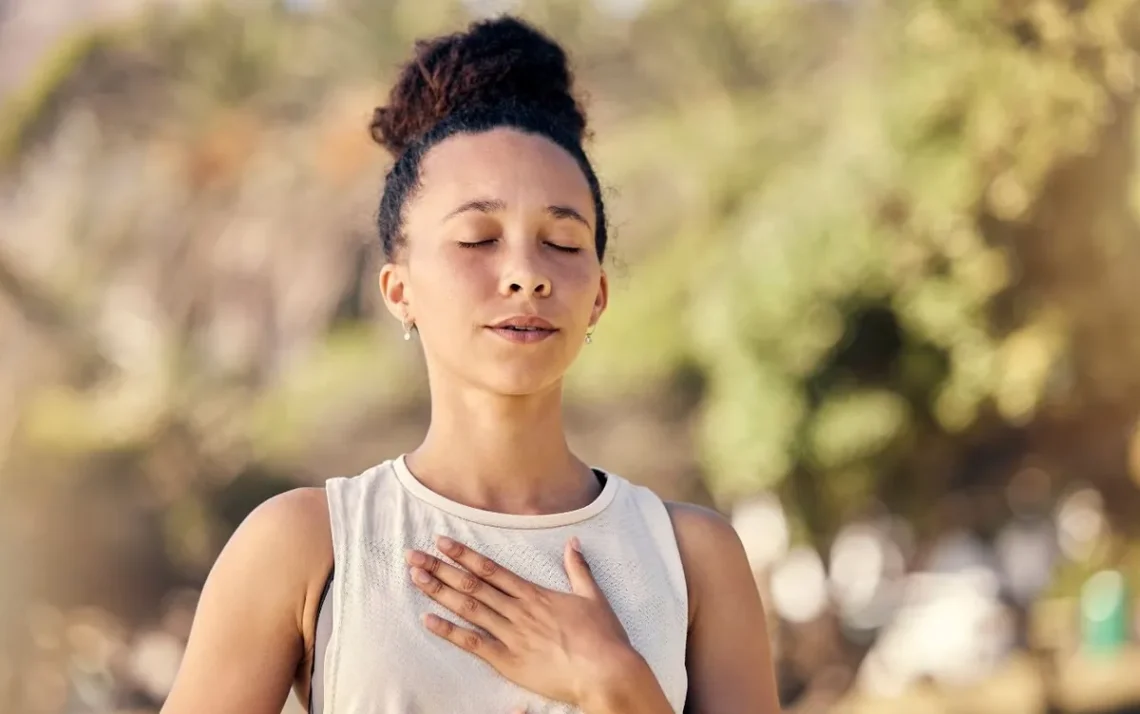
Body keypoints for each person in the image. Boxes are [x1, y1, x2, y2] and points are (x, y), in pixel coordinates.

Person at [160, 15, 779, 714]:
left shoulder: (693, 557)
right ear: (399, 290)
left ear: (598, 296)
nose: (525, 274)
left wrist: (617, 685)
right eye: (478, 238)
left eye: (563, 244)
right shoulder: (307, 545)